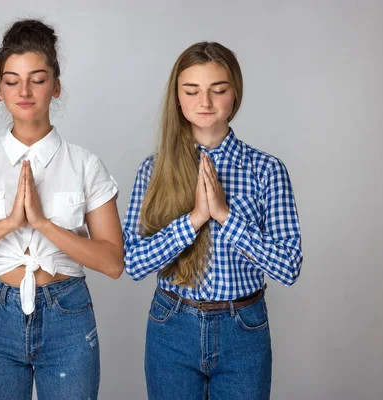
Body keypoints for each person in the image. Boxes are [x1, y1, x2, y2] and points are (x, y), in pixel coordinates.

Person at [0, 19, 123, 400]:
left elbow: (113, 262)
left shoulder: (85, 164)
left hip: (68, 316)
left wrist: (43, 224)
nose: (25, 90)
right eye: (12, 81)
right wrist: (10, 222)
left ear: (57, 86)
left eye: (38, 78)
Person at [123, 41, 303, 400]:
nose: (205, 102)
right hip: (172, 326)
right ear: (177, 97)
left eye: (218, 90)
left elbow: (288, 267)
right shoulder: (153, 171)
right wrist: (193, 221)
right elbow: (133, 262)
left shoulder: (266, 170)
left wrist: (224, 215)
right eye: (192, 91)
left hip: (244, 329)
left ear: (234, 93)